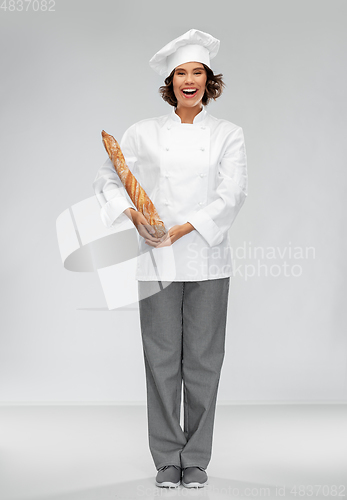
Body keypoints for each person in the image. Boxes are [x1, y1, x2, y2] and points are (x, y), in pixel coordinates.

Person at [93, 28, 248, 489]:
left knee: (203, 359)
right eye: (181, 72)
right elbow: (109, 178)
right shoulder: (141, 133)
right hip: (155, 259)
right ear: (170, 81)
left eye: (197, 72)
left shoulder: (227, 134)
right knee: (160, 359)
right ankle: (166, 456)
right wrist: (133, 216)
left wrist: (183, 228)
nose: (189, 80)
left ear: (209, 80)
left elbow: (233, 193)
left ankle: (196, 456)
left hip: (207, 257)